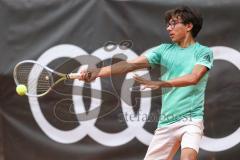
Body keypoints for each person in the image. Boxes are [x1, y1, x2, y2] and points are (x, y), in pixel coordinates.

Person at [79, 6, 213, 160]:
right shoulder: (163, 50)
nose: (169, 28)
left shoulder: (203, 52)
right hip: (166, 123)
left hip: (191, 120)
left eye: (174, 24)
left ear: (189, 26)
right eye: (168, 25)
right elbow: (130, 65)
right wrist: (98, 72)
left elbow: (194, 77)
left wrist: (161, 84)